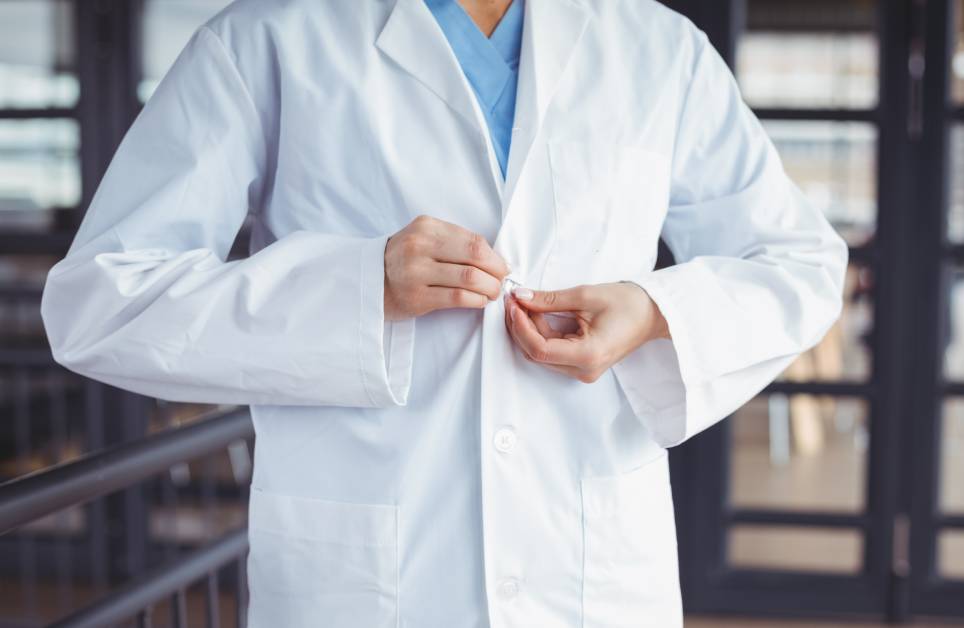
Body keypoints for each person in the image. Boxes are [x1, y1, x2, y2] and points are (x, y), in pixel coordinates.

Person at [40, 0, 848, 625]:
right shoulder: (273, 38)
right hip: (365, 582)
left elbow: (799, 265)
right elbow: (100, 302)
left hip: (594, 574)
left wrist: (653, 309)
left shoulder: (656, 48)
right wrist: (360, 288)